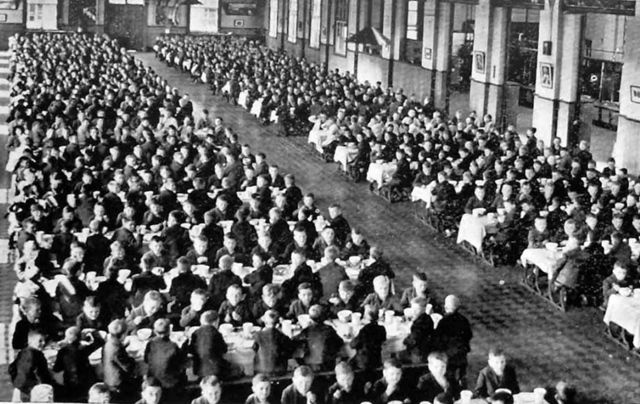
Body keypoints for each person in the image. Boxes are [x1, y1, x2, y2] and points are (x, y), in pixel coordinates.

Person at [188, 310, 240, 380]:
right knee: (238, 368)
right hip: (216, 369)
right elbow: (224, 350)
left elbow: (191, 350)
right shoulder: (215, 333)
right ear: (215, 322)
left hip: (198, 369)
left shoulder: (195, 333)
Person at [143, 318, 187, 399]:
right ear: (169, 331)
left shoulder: (150, 344)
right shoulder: (173, 346)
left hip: (154, 378)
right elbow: (181, 362)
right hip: (170, 381)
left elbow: (146, 359)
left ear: (155, 332)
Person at [52, 326, 98, 402]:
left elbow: (57, 368)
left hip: (71, 383)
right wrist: (93, 332)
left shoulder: (63, 351)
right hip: (86, 381)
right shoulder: (84, 348)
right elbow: (99, 342)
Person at [435, 295, 473, 386]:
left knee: (450, 371)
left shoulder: (443, 322)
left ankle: (451, 384)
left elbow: (438, 337)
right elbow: (469, 335)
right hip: (462, 352)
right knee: (462, 367)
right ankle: (462, 378)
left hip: (449, 354)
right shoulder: (464, 320)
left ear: (446, 307)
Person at [294, 304, 344, 371]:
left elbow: (295, 343)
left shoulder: (305, 331)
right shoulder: (329, 330)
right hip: (327, 365)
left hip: (308, 365)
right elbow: (340, 343)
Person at [9, 330, 53, 402]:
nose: (43, 343)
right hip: (33, 389)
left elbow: (12, 369)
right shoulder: (36, 354)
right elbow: (26, 371)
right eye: (40, 341)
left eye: (44, 341)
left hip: (20, 388)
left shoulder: (22, 352)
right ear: (30, 341)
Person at [102, 319, 137, 400]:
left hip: (108, 378)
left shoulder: (109, 343)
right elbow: (127, 367)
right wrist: (133, 358)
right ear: (124, 335)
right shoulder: (117, 349)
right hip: (117, 383)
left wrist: (124, 346)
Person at [253, 310, 294, 376]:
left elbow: (254, 348)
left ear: (264, 322)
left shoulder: (258, 335)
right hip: (280, 370)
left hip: (260, 370)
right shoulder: (282, 336)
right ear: (277, 325)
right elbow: (290, 349)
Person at [349, 308, 386, 372]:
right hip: (376, 361)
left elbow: (352, 345)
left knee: (348, 362)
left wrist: (353, 337)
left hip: (363, 362)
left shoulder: (365, 330)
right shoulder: (381, 329)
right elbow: (383, 340)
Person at [403, 296, 435, 363]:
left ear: (424, 309)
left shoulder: (419, 324)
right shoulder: (427, 318)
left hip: (418, 354)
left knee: (396, 355)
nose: (414, 312)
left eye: (416, 309)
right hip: (425, 349)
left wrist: (405, 341)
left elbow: (414, 340)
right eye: (413, 309)